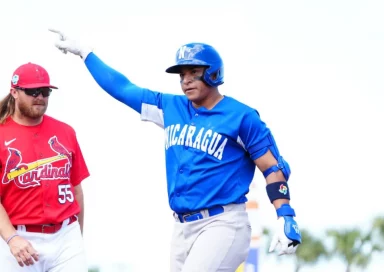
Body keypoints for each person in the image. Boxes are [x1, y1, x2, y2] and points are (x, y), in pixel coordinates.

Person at [50, 29, 302, 272]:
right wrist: (86, 53)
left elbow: (272, 167)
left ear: (213, 74)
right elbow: (123, 89)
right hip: (181, 227)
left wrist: (285, 215)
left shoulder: (241, 116)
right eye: (182, 74)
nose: (186, 80)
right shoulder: (171, 107)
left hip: (223, 223)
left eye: (194, 72)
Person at [0, 61, 90, 271]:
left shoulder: (65, 131)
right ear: (14, 92)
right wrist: (11, 238)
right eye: (32, 91)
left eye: (45, 91)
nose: (39, 97)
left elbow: (76, 189)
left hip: (66, 235)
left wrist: (78, 238)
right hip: (17, 236)